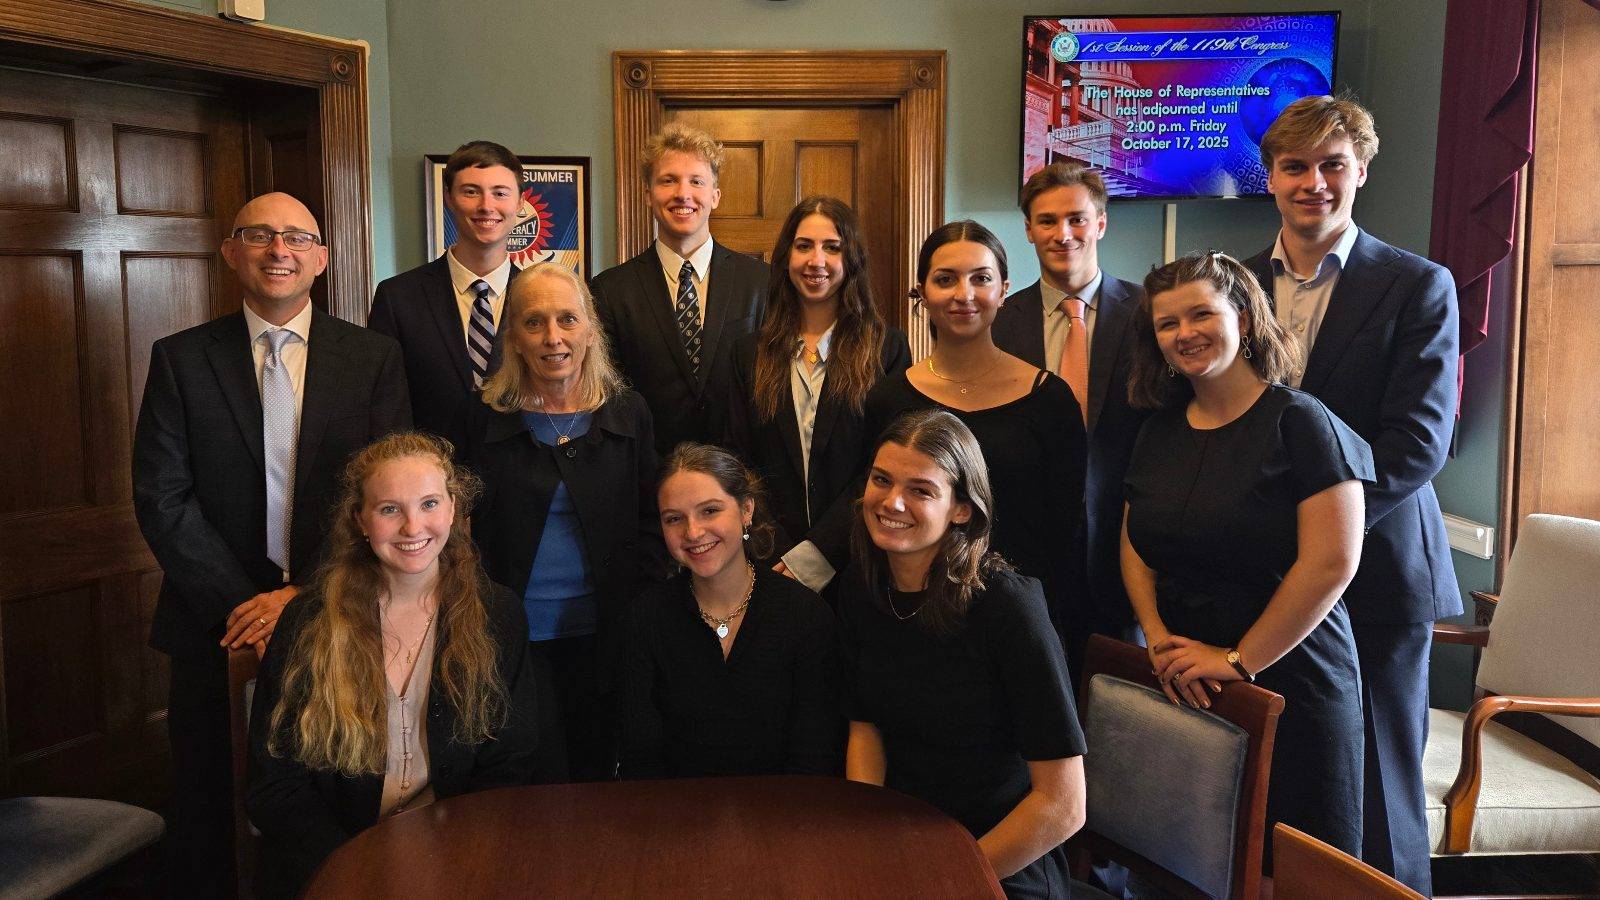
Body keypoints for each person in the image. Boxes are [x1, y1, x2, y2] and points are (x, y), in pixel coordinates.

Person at [132, 191, 410, 896]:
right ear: (232, 253)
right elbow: (162, 496)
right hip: (212, 624)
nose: (278, 249)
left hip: (343, 614)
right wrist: (246, 606)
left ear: (322, 258)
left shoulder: (373, 358)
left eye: (296, 237)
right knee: (208, 808)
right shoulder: (181, 358)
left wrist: (303, 596)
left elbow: (386, 494)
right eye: (258, 235)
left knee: (326, 796)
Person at [1241, 94, 1459, 894]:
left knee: (1380, 784)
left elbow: (1418, 444)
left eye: (1332, 165)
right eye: (1295, 166)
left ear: (1360, 171)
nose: (1314, 183)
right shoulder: (1233, 283)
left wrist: (1319, 534)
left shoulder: (1417, 285)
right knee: (1281, 773)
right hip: (1262, 577)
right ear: (1269, 177)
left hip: (1379, 572)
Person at [1121, 251, 1373, 864]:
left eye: (1201, 314)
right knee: (1196, 860)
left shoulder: (1301, 422)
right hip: (1188, 679)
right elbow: (1134, 543)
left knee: (1294, 867)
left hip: (1290, 677)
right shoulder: (1157, 430)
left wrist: (1237, 659)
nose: (1185, 333)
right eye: (1167, 323)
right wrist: (1156, 636)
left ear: (1243, 315)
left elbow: (1332, 562)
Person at [247, 432, 539, 899]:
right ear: (360, 520)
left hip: (457, 855)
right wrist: (355, 870)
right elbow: (274, 786)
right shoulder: (308, 621)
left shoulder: (498, 614)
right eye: (389, 509)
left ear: (453, 510)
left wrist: (455, 860)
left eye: (429, 504)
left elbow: (510, 763)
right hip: (335, 864)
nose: (412, 526)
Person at [841, 409, 1086, 899]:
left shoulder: (1008, 605)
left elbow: (1063, 805)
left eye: (920, 490)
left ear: (961, 509)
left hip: (1001, 859)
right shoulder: (862, 587)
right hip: (906, 843)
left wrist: (945, 879)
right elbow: (865, 728)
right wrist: (870, 840)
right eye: (881, 480)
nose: (891, 502)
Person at [815, 221, 1086, 658]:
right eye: (945, 279)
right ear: (922, 292)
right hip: (908, 621)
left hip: (1015, 628)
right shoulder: (889, 398)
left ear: (1004, 290)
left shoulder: (1050, 400)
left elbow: (1067, 535)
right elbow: (874, 511)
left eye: (981, 278)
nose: (964, 294)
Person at [462, 261, 664, 781]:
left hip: (607, 638)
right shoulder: (483, 417)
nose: (553, 338)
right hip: (511, 641)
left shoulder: (629, 412)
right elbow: (464, 534)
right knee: (533, 781)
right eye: (534, 322)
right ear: (513, 337)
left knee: (598, 780)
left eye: (567, 319)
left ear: (590, 329)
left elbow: (651, 522)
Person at [993, 163, 1147, 676]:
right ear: (1029, 230)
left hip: (1127, 553)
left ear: (1101, 222)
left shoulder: (1151, 315)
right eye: (1047, 221)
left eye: (1077, 219)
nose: (1063, 234)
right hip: (1026, 553)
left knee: (1122, 704)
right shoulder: (998, 324)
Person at [617, 444, 841, 779]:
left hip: (786, 808)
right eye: (674, 518)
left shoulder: (806, 616)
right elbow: (641, 758)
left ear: (746, 509)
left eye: (709, 511)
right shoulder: (645, 617)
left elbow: (815, 758)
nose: (693, 532)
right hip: (674, 808)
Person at [726, 196, 911, 589]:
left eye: (832, 247)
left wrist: (818, 554)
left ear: (852, 259)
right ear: (786, 257)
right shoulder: (747, 354)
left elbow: (886, 465)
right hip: (770, 563)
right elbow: (738, 460)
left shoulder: (887, 351)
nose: (816, 260)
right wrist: (780, 553)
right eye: (804, 246)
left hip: (860, 560)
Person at [590, 122, 768, 456]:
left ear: (715, 196)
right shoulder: (610, 291)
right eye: (668, 180)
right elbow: (608, 396)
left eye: (696, 181)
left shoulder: (761, 282)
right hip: (649, 472)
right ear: (647, 194)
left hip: (739, 472)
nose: (682, 194)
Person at [370, 140, 523, 449]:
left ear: (520, 203)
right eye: (471, 191)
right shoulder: (397, 298)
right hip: (429, 472)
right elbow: (384, 407)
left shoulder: (543, 297)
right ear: (449, 198)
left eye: (500, 193)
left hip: (522, 473)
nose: (486, 206)